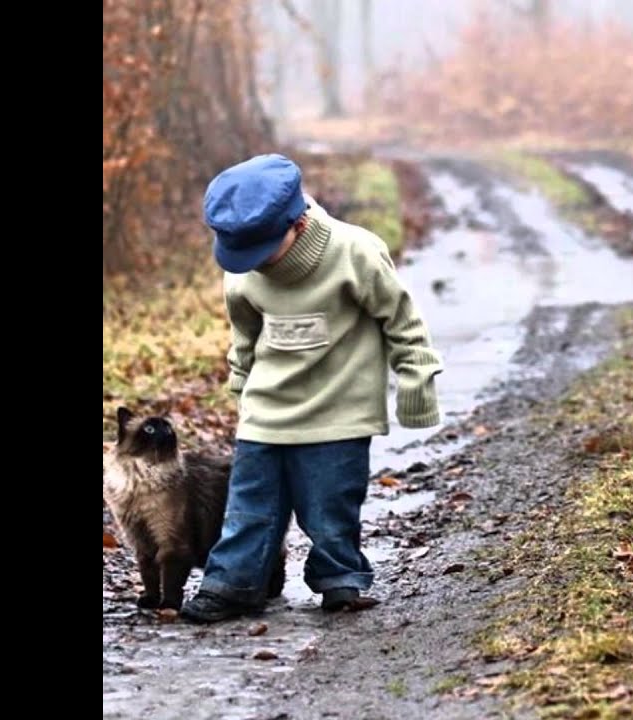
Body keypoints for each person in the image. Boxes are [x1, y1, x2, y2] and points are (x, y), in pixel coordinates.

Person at [180, 153, 443, 623]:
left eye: (261, 250)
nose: (253, 265)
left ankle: (339, 578)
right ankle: (232, 583)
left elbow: (402, 320)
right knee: (248, 507)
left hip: (338, 410)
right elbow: (245, 336)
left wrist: (417, 376)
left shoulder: (356, 253)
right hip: (267, 410)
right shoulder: (242, 272)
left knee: (329, 507)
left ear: (296, 223)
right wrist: (241, 387)